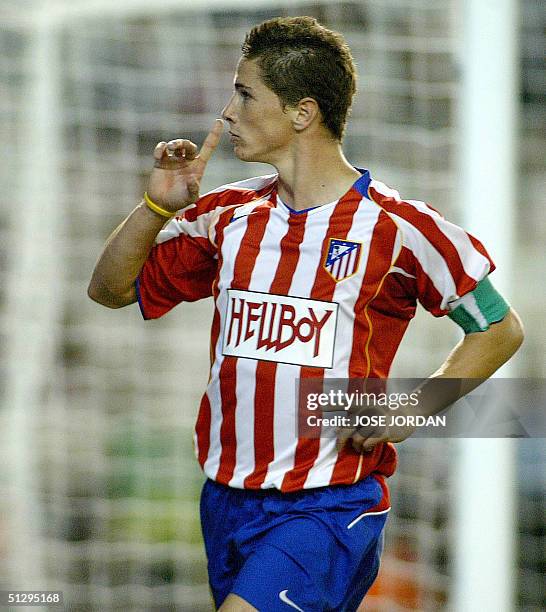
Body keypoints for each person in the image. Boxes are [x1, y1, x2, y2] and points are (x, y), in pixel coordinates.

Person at [88, 16, 524, 612]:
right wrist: (154, 208)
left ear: (302, 112)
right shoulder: (228, 213)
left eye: (244, 94)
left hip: (328, 503)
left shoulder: (398, 227)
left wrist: (411, 408)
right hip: (226, 498)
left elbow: (499, 327)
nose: (227, 114)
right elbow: (110, 290)